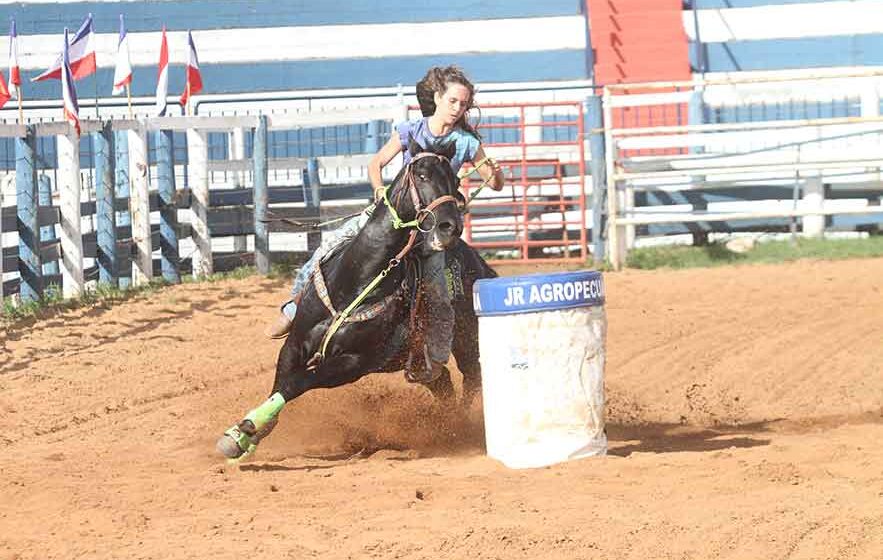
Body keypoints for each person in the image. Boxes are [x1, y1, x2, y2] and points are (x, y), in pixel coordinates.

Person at [265, 65, 504, 381]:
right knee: (329, 247)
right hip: (392, 215)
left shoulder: (466, 143)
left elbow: (494, 181)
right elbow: (376, 163)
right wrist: (380, 192)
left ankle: (430, 359)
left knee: (438, 293)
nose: (458, 109)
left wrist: (495, 172)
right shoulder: (410, 130)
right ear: (437, 98)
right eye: (453, 102)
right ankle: (293, 309)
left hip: (429, 231)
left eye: (463, 104)